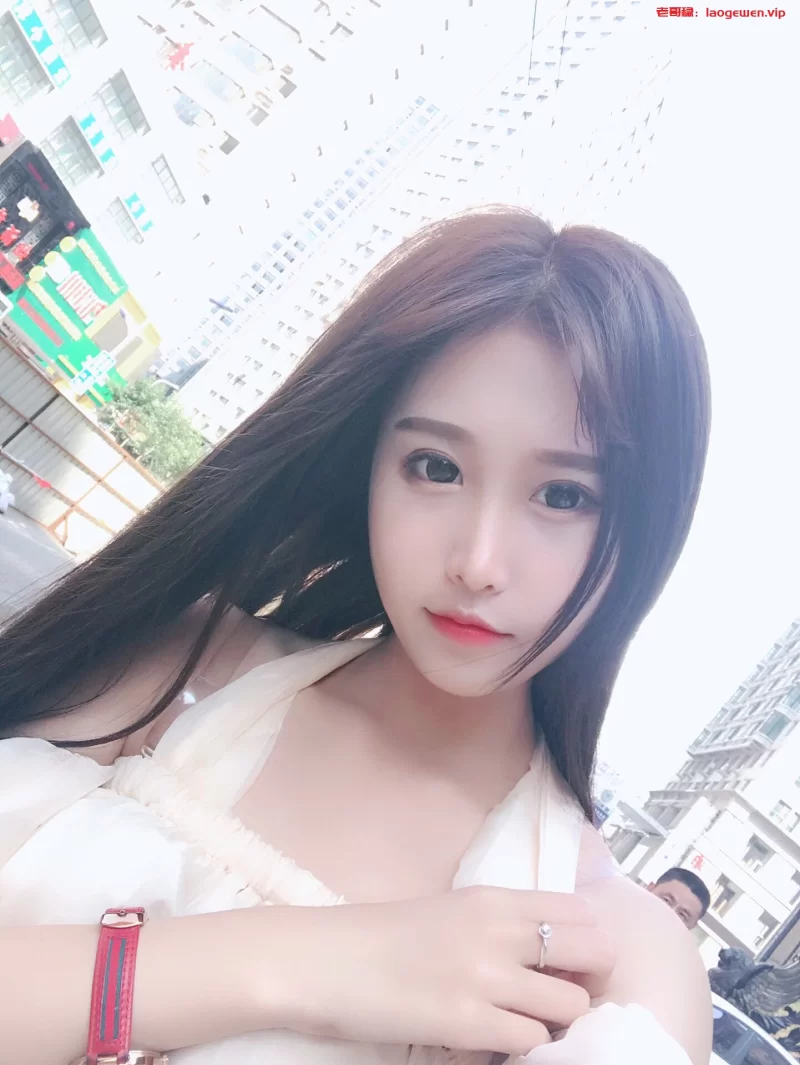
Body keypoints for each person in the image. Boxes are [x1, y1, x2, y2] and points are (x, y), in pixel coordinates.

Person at [0, 208, 712, 1065]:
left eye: (564, 496)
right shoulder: (184, 672)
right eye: (436, 467)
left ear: (644, 532)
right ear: (369, 463)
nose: (479, 562)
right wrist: (315, 961)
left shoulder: (615, 961)